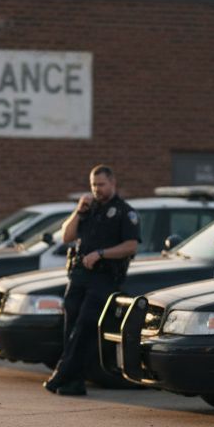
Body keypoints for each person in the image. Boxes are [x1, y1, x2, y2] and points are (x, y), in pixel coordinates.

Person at [44, 165, 141, 396]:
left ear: (113, 183)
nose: (97, 189)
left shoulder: (125, 212)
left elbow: (131, 246)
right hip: (79, 277)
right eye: (93, 185)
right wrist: (78, 211)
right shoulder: (89, 209)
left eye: (101, 184)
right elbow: (67, 236)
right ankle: (73, 383)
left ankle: (61, 374)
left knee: (85, 327)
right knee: (71, 329)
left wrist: (101, 253)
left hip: (104, 278)